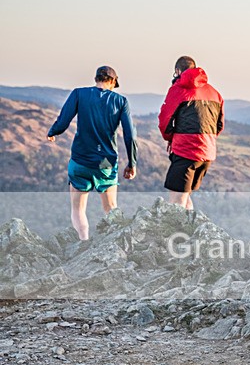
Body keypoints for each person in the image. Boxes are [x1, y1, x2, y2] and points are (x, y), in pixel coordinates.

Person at [47, 66, 137, 240]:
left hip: (80, 160)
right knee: (111, 209)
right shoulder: (121, 101)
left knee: (78, 209)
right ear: (112, 82)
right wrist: (132, 163)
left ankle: (84, 241)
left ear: (96, 79)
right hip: (106, 163)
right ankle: (114, 245)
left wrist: (53, 132)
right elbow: (130, 135)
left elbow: (63, 120)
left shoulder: (79, 94)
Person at [158, 56, 224, 210]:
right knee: (185, 197)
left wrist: (170, 138)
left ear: (177, 71)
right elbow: (219, 125)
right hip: (207, 153)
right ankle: (191, 231)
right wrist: (206, 141)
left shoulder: (178, 90)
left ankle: (178, 233)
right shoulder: (215, 93)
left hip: (185, 150)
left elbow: (165, 120)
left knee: (177, 200)